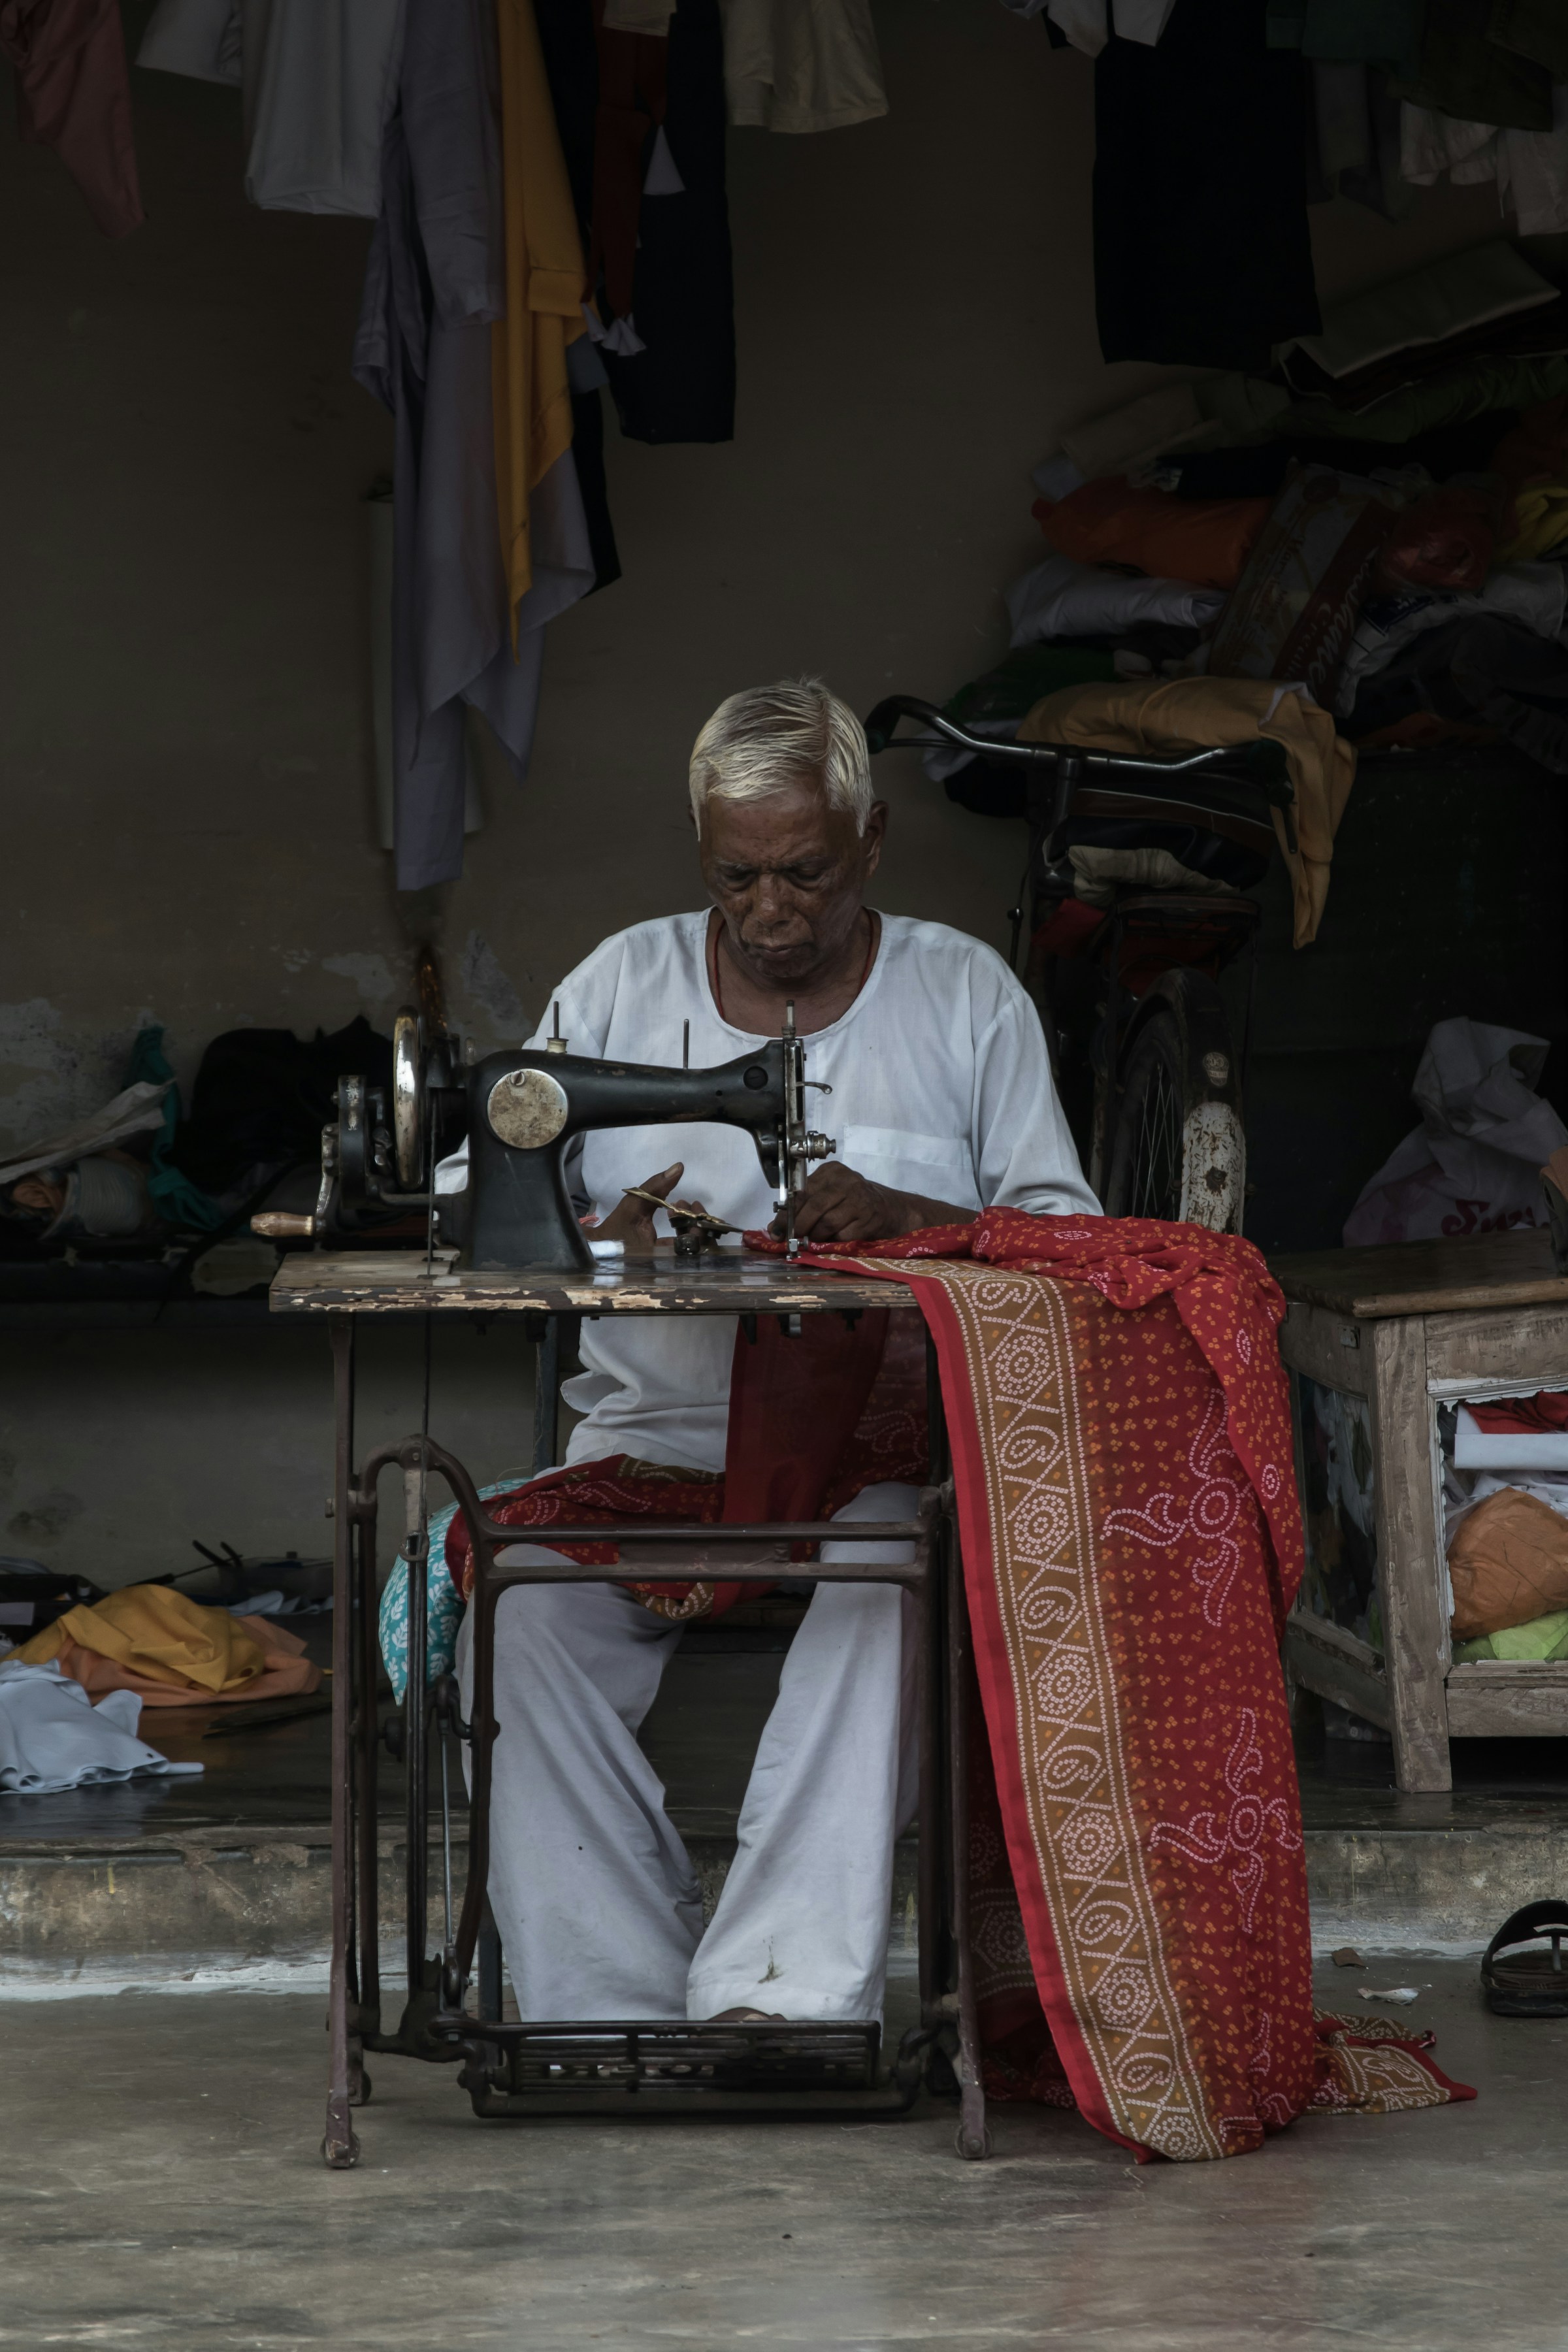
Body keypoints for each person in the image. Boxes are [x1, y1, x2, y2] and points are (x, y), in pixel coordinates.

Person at [454, 677, 1098, 2025]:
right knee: (517, 1615)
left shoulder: (965, 995)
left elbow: (1068, 1249)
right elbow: (478, 1188)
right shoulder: (620, 985)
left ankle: (779, 2000)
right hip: (654, 1445)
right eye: (737, 876)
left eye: (805, 872)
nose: (770, 911)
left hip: (888, 1456)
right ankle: (606, 2005)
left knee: (890, 1586)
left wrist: (923, 1221)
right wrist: (575, 1222)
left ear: (870, 841)